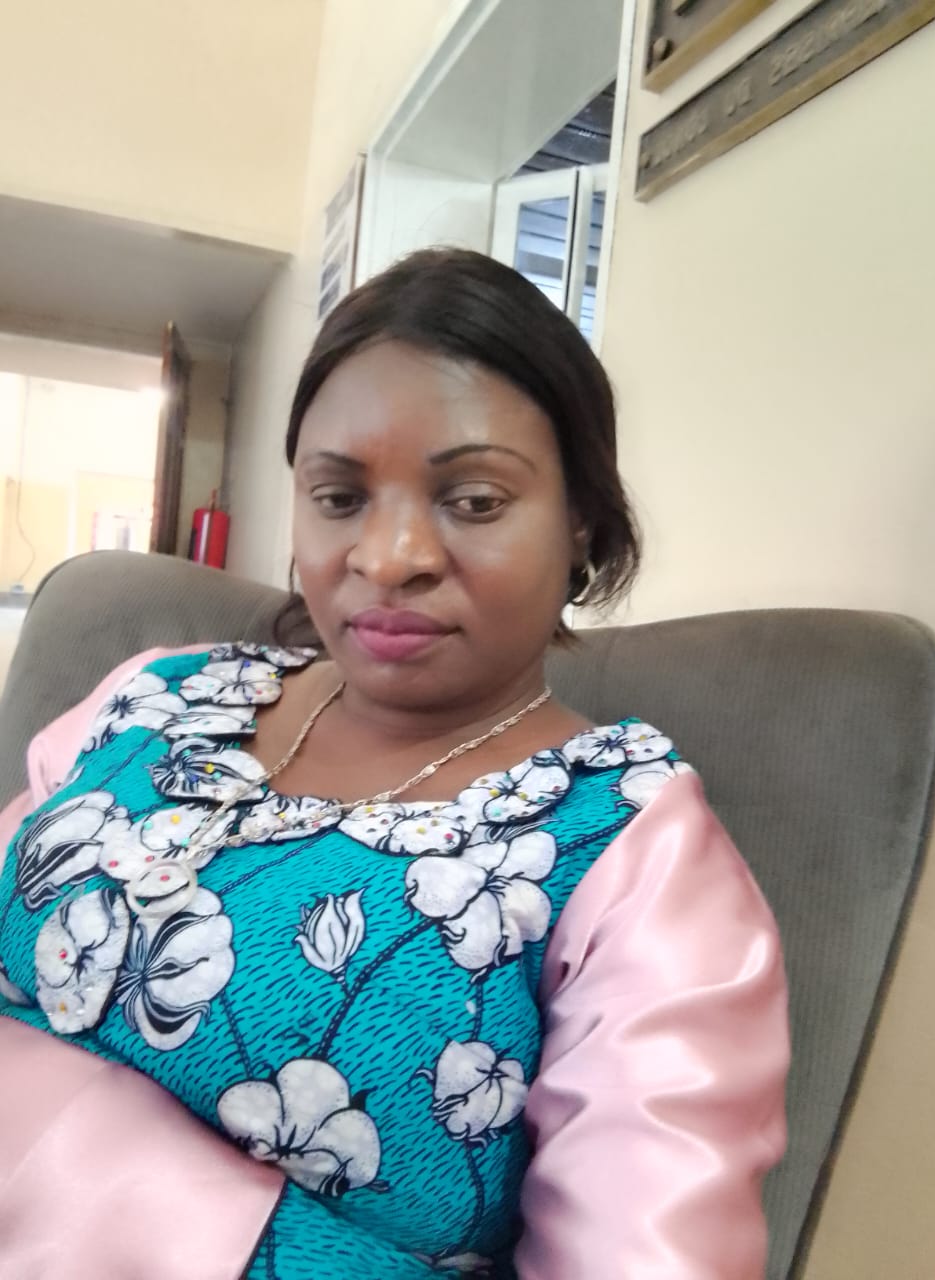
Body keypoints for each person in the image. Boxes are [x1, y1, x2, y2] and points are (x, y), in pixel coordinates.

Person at [0, 249, 788, 1279]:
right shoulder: (159, 689)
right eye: (339, 496)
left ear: (581, 521)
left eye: (474, 499)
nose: (389, 556)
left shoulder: (633, 849)